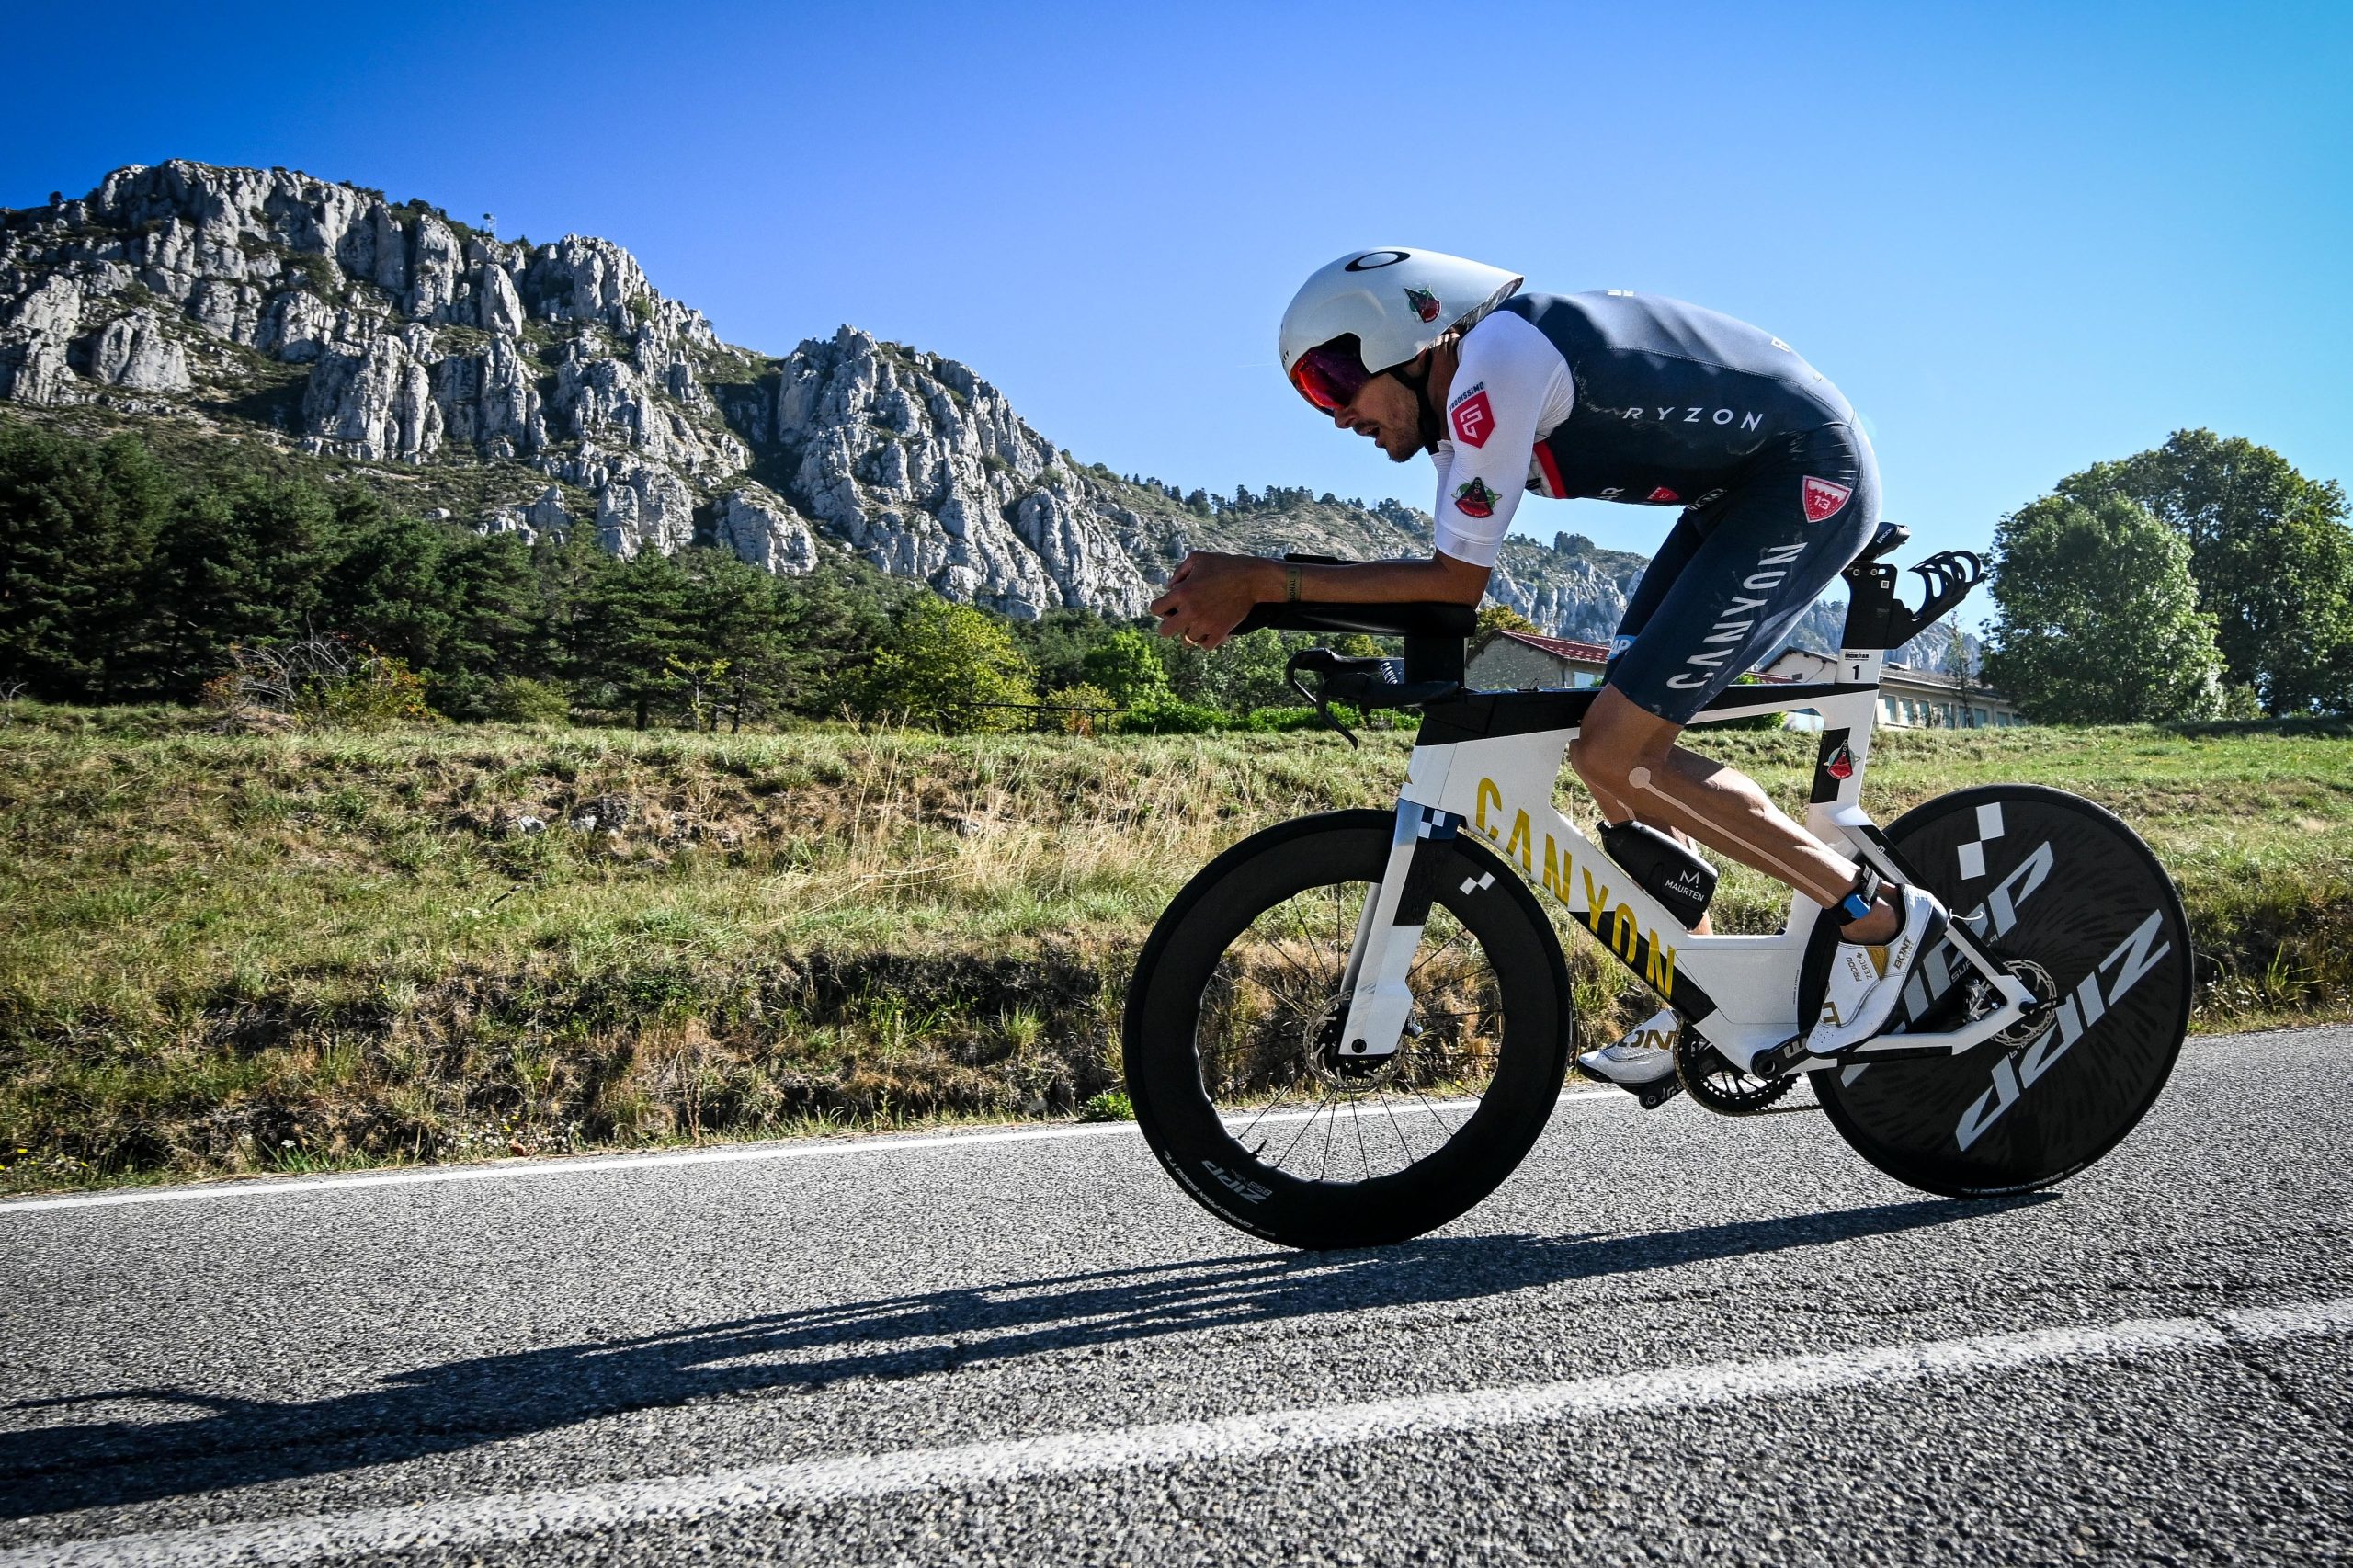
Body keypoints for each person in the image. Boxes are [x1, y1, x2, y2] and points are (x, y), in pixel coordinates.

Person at [1148, 247, 1946, 1084]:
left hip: (1807, 475)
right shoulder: (1464, 420)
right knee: (1613, 766)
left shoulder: (1495, 363)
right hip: (1740, 493)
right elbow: (1445, 599)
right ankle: (1712, 999)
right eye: (1313, 396)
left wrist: (1264, 579)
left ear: (1410, 337)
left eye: (1331, 380)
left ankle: (1879, 918)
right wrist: (1263, 603)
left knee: (1615, 749)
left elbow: (1455, 581)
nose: (1335, 413)